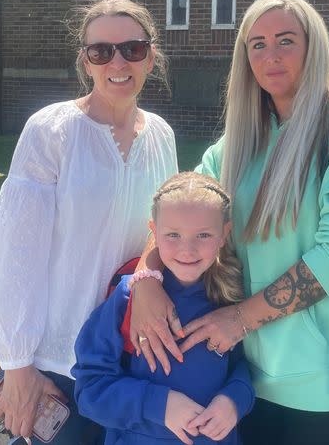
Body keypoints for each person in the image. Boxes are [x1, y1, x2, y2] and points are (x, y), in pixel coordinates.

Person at [128, 0, 329, 445]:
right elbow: (181, 206)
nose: (271, 55)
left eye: (286, 40)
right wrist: (146, 278)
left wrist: (240, 320)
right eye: (258, 44)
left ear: (313, 47)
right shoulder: (238, 143)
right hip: (246, 382)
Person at [0, 0, 178, 444]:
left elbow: (165, 233)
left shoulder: (161, 135)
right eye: (101, 51)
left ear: (151, 57)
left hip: (129, 358)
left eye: (133, 48)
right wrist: (17, 365)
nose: (117, 62)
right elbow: (15, 252)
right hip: (58, 361)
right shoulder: (52, 131)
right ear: (85, 61)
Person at [72, 172, 255, 445]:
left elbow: (243, 367)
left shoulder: (230, 297)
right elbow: (89, 391)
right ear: (154, 232)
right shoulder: (128, 299)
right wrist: (159, 405)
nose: (187, 249)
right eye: (173, 235)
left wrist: (234, 400)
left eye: (203, 234)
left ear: (224, 235)